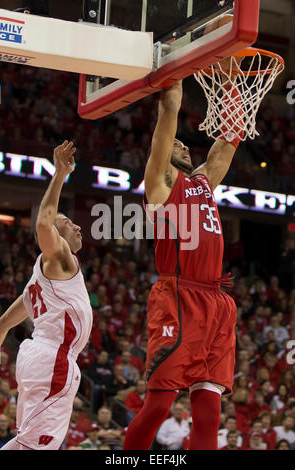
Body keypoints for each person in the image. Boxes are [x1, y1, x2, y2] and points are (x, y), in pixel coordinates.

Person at [123, 78, 243, 450]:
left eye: (184, 144)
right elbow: (168, 114)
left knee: (209, 408)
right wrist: (174, 82)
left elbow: (227, 143)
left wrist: (232, 79)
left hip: (217, 300)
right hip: (179, 297)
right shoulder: (159, 185)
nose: (184, 147)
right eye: (177, 144)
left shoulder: (202, 182)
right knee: (159, 404)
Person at [0, 141, 93, 450]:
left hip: (38, 358)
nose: (78, 227)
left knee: (28, 443)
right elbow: (42, 223)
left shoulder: (38, 286)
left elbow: (1, 324)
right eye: (68, 223)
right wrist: (61, 173)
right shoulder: (59, 258)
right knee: (36, 446)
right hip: (54, 360)